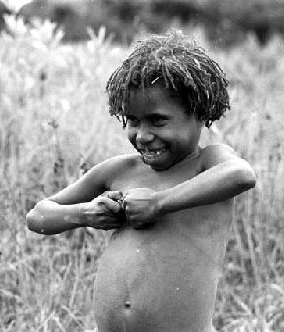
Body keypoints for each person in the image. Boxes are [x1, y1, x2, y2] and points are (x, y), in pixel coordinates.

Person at [26, 31, 256, 332]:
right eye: (133, 121)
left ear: (200, 114)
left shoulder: (207, 163)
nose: (143, 135)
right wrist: (84, 214)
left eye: (158, 120)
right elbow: (38, 216)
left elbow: (241, 175)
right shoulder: (118, 171)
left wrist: (159, 203)